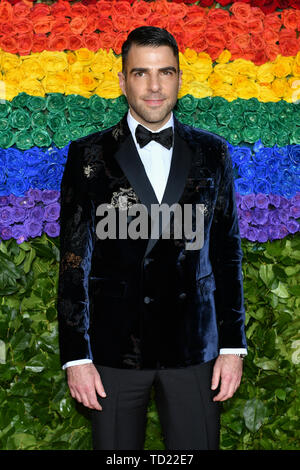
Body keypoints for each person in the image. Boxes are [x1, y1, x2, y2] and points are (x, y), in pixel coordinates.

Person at [57, 26, 247, 451]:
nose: (155, 86)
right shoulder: (88, 155)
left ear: (180, 78)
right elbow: (73, 262)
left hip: (195, 349)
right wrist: (77, 356)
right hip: (112, 352)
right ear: (123, 80)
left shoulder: (213, 151)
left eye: (165, 72)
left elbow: (226, 253)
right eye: (141, 73)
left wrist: (233, 345)